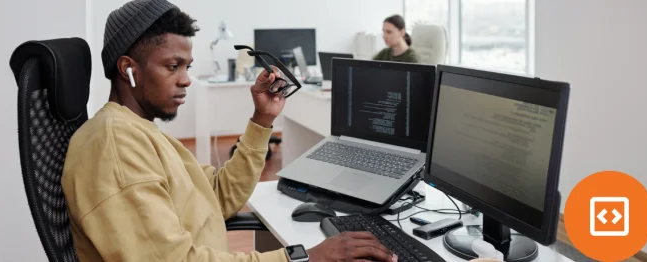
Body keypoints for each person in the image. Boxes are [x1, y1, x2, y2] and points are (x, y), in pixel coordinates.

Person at [60, 1, 398, 261]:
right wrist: (302, 256)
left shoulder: (138, 132)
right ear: (128, 69)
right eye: (172, 66)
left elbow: (218, 196)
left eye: (187, 67)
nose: (186, 79)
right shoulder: (115, 148)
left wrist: (261, 120)